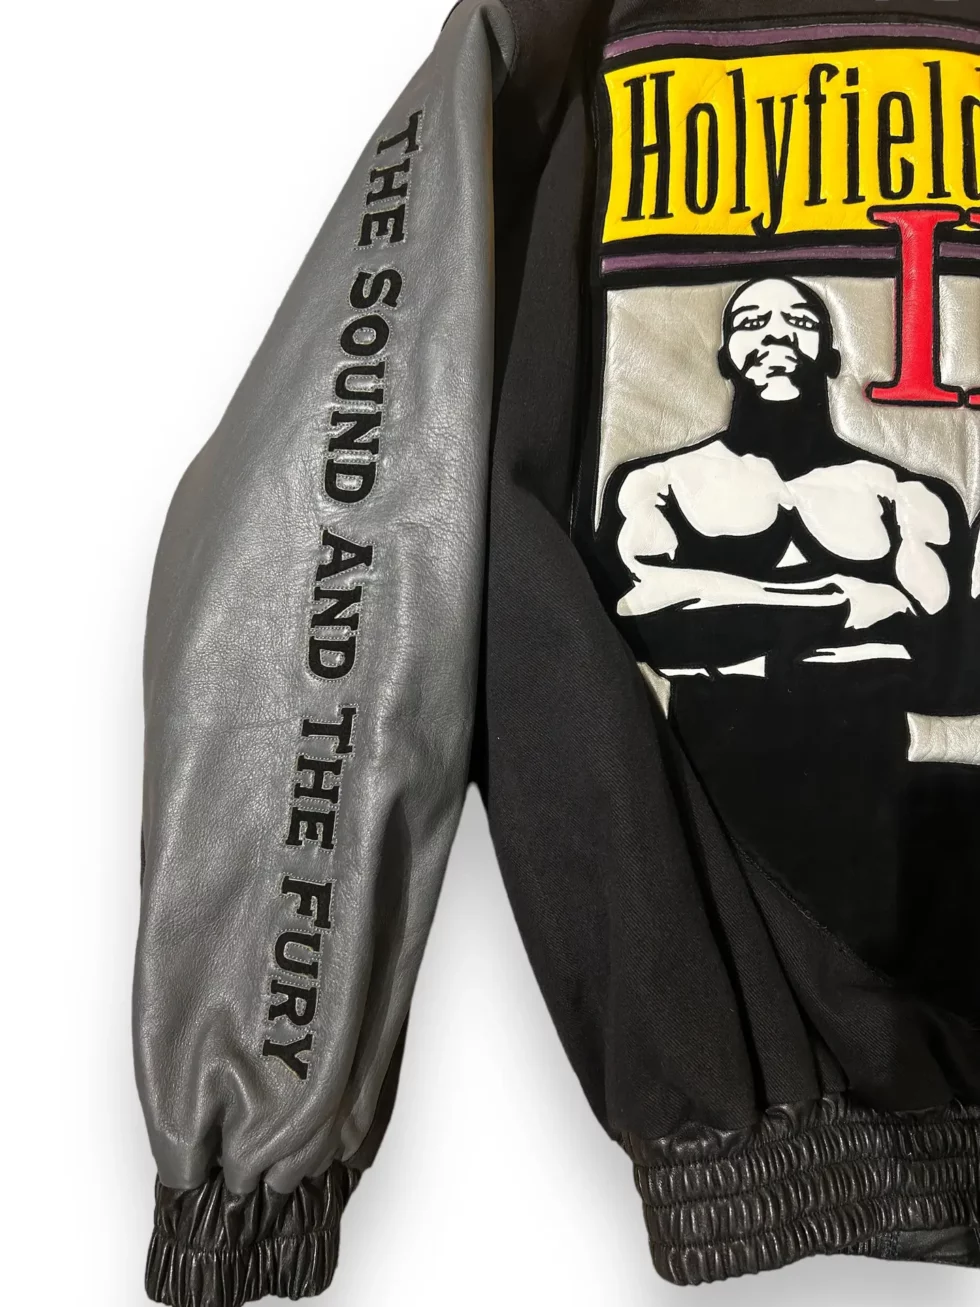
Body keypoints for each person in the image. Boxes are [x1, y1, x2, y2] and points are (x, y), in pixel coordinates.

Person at [593, 277, 977, 974]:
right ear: (724, 356)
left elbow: (938, 655)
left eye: (800, 320)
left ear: (831, 353)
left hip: (865, 786)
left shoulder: (907, 496)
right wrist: (839, 601)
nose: (775, 333)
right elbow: (644, 613)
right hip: (712, 777)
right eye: (751, 321)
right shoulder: (658, 483)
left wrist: (727, 607)